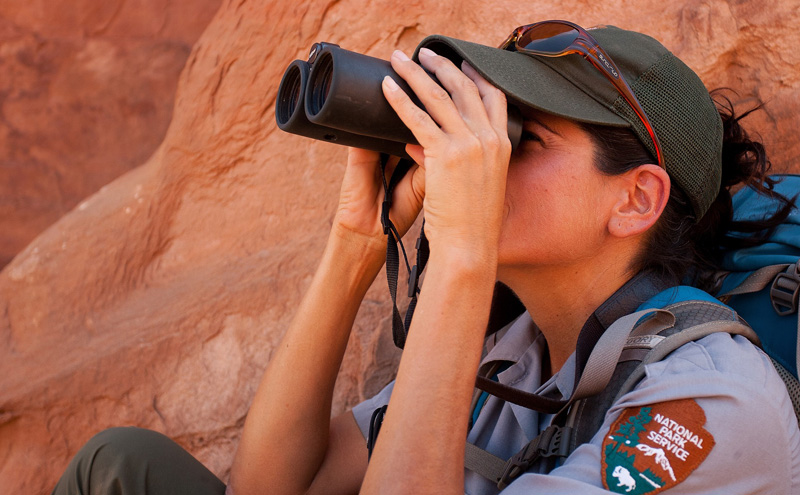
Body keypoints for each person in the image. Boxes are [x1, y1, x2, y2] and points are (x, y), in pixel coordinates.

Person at [52, 21, 800, 495]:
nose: (477, 158)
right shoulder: (509, 357)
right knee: (121, 466)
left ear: (634, 199)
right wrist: (356, 242)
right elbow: (279, 485)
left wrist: (464, 256)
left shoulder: (710, 406)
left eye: (521, 140)